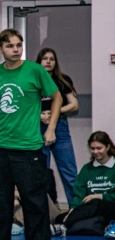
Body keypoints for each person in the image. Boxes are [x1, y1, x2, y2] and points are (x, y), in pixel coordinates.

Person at [0, 29, 62, 240]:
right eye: (10, 46)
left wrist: (51, 128)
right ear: (0, 49)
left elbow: (56, 97)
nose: (15, 50)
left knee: (33, 197)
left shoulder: (35, 70)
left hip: (28, 148)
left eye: (19, 45)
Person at [51, 131, 115, 238]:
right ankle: (96, 226)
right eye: (92, 148)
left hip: (110, 207)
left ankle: (64, 226)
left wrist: (101, 196)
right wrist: (73, 209)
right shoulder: (87, 168)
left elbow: (100, 199)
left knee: (96, 202)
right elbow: (78, 193)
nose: (95, 151)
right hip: (90, 210)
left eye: (99, 148)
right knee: (60, 218)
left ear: (108, 147)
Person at [37, 48, 79, 204]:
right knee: (41, 171)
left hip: (59, 126)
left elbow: (74, 105)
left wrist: (54, 112)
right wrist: (40, 115)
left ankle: (76, 209)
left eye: (52, 59)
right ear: (39, 61)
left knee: (69, 170)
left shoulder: (63, 79)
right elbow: (25, 106)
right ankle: (45, 211)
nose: (48, 61)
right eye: (45, 58)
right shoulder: (33, 80)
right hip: (38, 126)